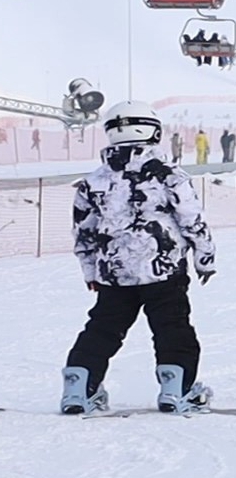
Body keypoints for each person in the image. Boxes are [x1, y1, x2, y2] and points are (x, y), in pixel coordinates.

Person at [60, 101, 216, 415]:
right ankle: (176, 390)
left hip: (114, 272)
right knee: (172, 327)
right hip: (163, 269)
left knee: (103, 328)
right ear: (153, 131)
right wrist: (205, 257)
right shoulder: (169, 175)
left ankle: (78, 387)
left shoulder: (94, 182)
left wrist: (90, 272)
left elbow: (84, 233)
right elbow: (191, 219)